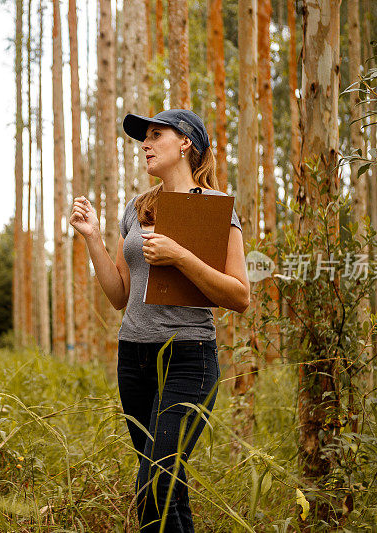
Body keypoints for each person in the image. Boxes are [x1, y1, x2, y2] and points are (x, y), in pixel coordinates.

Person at [70, 109, 250, 532]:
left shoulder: (215, 209)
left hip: (189, 357)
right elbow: (119, 296)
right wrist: (93, 237)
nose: (145, 144)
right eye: (143, 138)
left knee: (157, 479)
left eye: (155, 135)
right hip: (134, 357)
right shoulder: (137, 207)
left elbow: (240, 295)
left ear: (186, 142)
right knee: (160, 484)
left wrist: (180, 257)